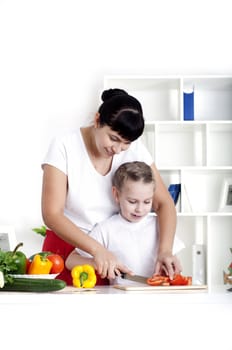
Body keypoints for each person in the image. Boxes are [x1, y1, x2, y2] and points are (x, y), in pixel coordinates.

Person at [41, 88, 179, 285]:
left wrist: (165, 251)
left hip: (111, 257)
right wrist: (97, 250)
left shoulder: (136, 151)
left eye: (125, 144)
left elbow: (165, 204)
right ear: (97, 120)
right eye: (113, 138)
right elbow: (52, 214)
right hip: (66, 252)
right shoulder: (64, 145)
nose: (117, 149)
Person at [65, 161, 184, 284]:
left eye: (147, 202)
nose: (140, 209)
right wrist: (97, 262)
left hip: (158, 297)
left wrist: (172, 268)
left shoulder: (160, 226)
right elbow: (71, 261)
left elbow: (172, 259)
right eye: (132, 201)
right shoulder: (106, 229)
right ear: (116, 194)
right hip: (119, 299)